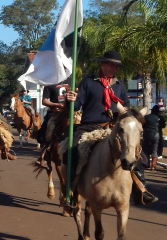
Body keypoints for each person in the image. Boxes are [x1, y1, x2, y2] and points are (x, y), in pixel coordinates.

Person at [65, 50, 156, 204]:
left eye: (117, 66)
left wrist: (127, 114)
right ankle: (72, 190)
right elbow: (77, 105)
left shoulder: (119, 85)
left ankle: (141, 188)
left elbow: (126, 106)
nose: (114, 68)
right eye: (111, 65)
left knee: (136, 150)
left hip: (114, 128)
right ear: (102, 64)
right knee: (73, 149)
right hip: (90, 126)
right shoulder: (88, 82)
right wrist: (71, 100)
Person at [142, 105, 167, 170]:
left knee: (146, 150)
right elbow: (163, 126)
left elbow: (143, 126)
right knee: (154, 150)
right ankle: (153, 166)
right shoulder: (160, 117)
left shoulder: (146, 117)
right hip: (156, 135)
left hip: (147, 135)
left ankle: (147, 164)